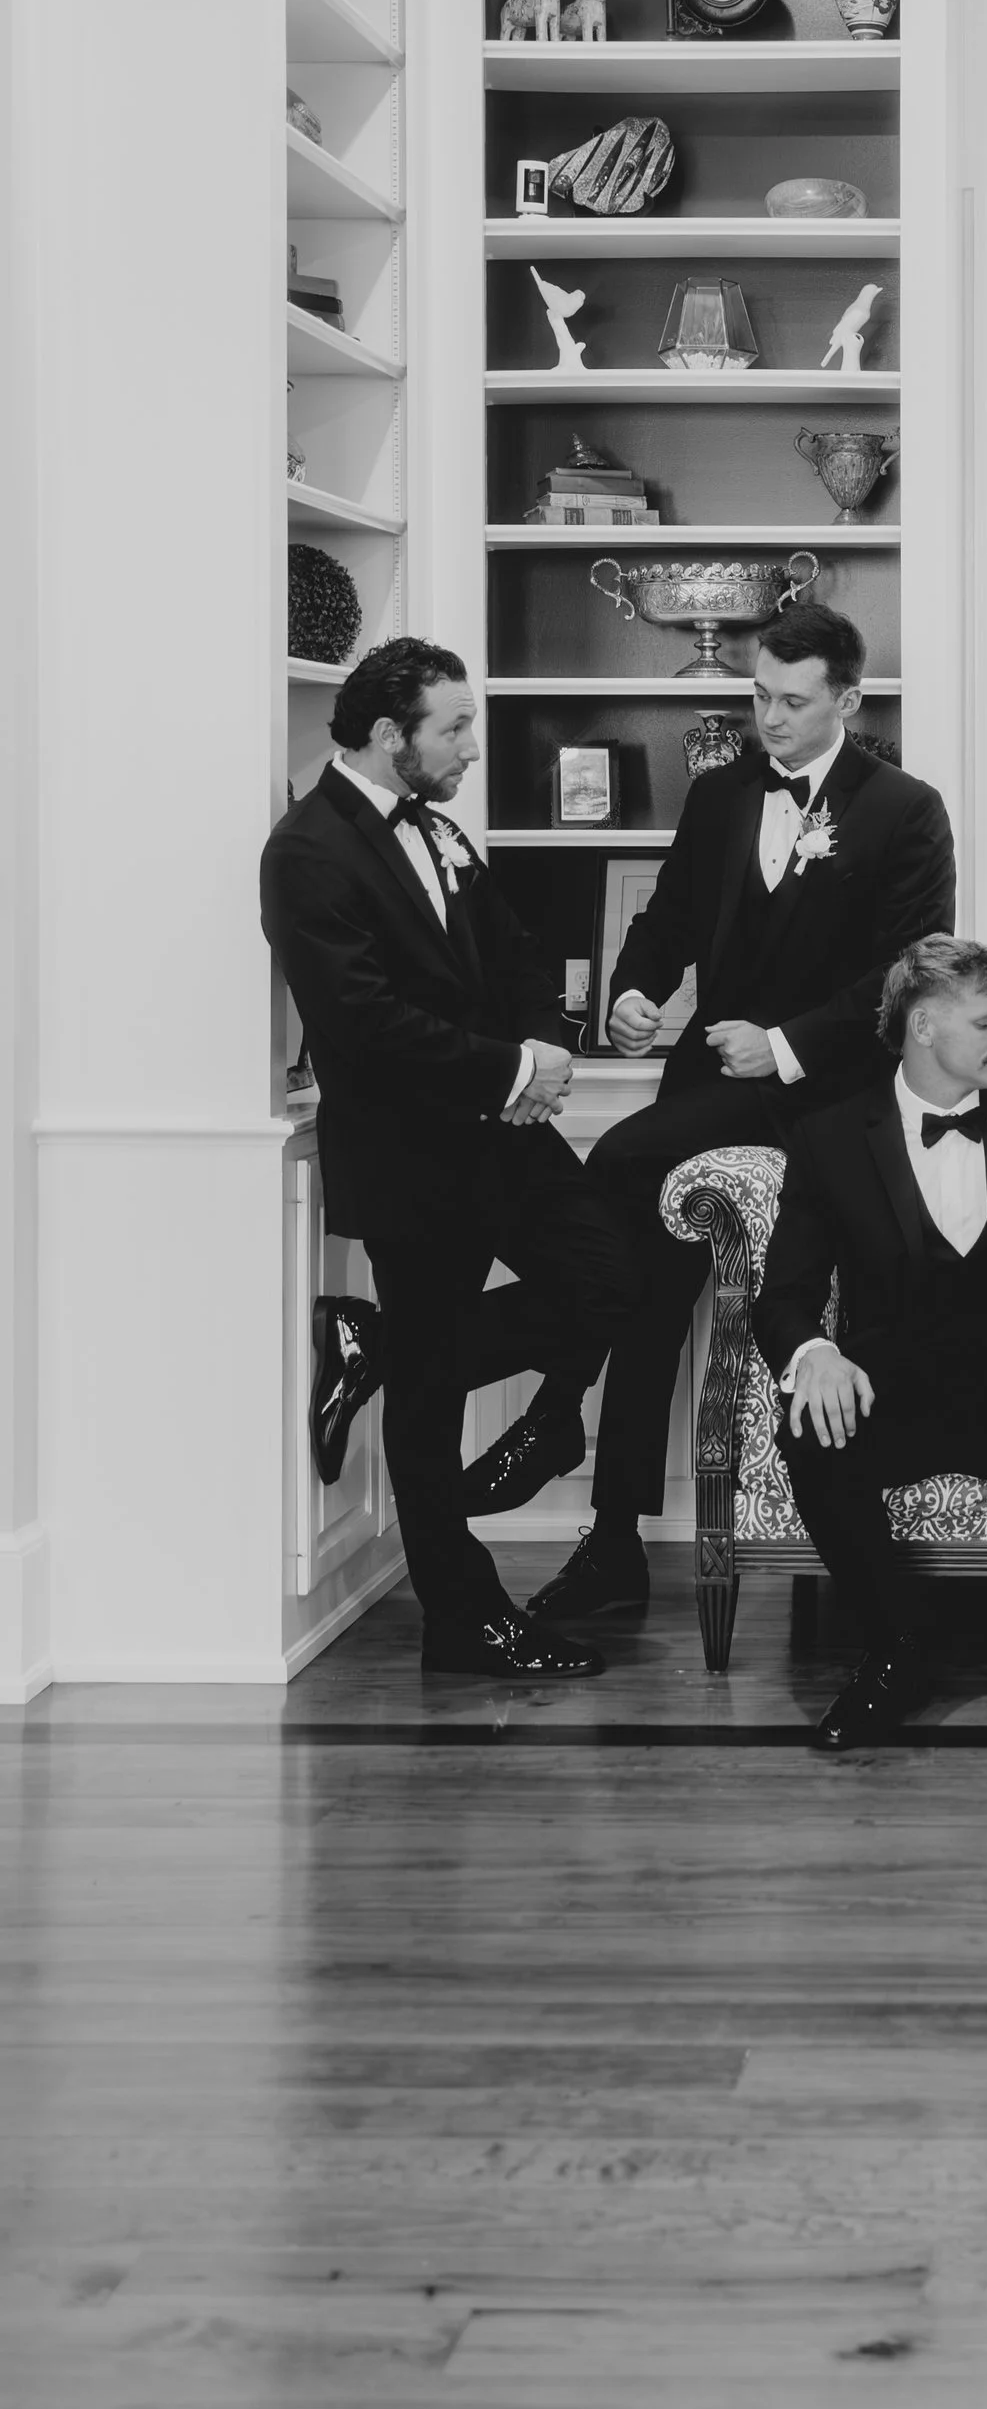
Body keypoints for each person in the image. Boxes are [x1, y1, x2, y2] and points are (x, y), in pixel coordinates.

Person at [475, 600, 955, 1638]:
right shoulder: (723, 793)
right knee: (644, 1288)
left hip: (830, 1102)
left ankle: (556, 1410)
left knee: (616, 1157)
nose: (768, 720)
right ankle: (609, 1540)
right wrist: (634, 993)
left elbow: (907, 975)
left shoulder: (906, 810)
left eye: (791, 702)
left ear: (846, 699)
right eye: (756, 698)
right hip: (706, 1086)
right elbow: (670, 921)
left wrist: (781, 1044)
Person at [258, 639, 644, 1678]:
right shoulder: (305, 852)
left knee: (616, 1280)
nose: (472, 745)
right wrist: (508, 1072)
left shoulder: (438, 829)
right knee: (429, 1411)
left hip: (506, 1137)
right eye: (455, 727)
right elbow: (363, 1025)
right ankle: (464, 1618)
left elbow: (513, 957)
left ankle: (369, 1345)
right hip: (412, 1157)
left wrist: (543, 1054)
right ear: (391, 736)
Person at [752, 938, 987, 1752]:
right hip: (895, 1388)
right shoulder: (828, 1137)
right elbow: (783, 1295)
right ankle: (896, 1651)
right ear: (924, 1026)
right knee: (808, 1422)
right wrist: (815, 1354)